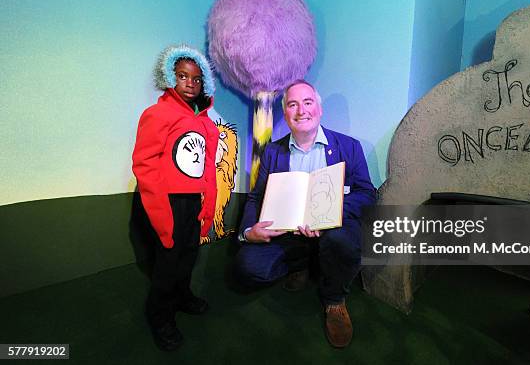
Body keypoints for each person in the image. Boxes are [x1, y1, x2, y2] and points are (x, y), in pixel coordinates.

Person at [235, 80, 376, 348]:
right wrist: (247, 232)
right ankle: (302, 264)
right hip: (287, 233)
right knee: (247, 267)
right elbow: (255, 198)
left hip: (332, 230)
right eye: (292, 105)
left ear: (319, 109)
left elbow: (367, 193)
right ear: (286, 114)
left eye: (308, 102)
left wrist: (328, 213)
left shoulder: (349, 146)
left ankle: (334, 300)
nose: (301, 111)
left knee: (341, 241)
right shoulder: (273, 152)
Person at [132, 45, 219, 351]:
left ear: (204, 82)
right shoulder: (157, 114)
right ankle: (159, 315)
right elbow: (145, 164)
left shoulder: (208, 124)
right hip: (166, 202)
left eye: (196, 78)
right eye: (182, 75)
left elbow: (207, 168)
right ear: (170, 76)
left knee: (188, 254)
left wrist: (208, 205)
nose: (189, 83)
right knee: (167, 261)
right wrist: (160, 213)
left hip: (193, 202)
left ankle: (182, 296)